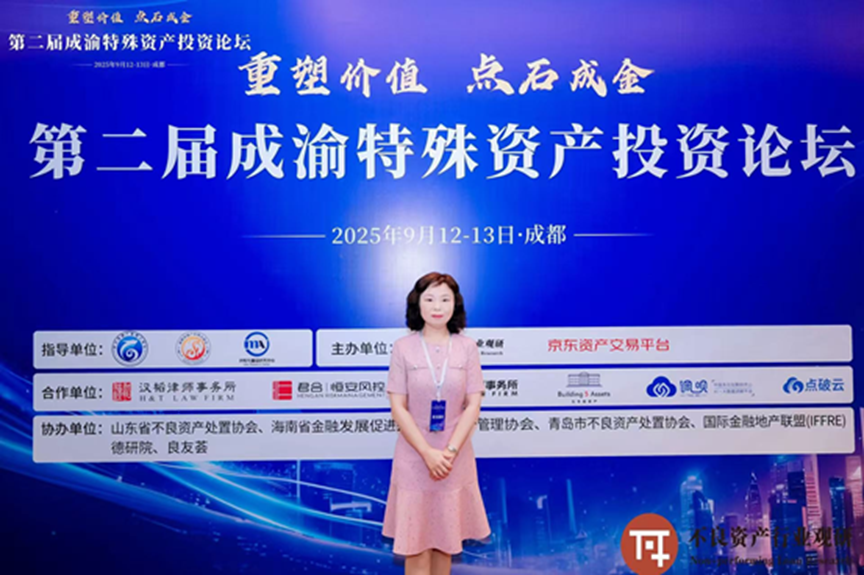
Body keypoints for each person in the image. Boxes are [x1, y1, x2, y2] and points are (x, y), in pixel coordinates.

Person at [382, 272, 491, 575]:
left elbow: (473, 404)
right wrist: (427, 453)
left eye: (445, 299)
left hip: (454, 457)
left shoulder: (467, 347)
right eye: (429, 299)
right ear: (417, 304)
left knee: (446, 543)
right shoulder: (403, 347)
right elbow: (398, 407)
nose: (437, 306)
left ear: (456, 304)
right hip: (414, 456)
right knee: (415, 546)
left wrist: (449, 452)